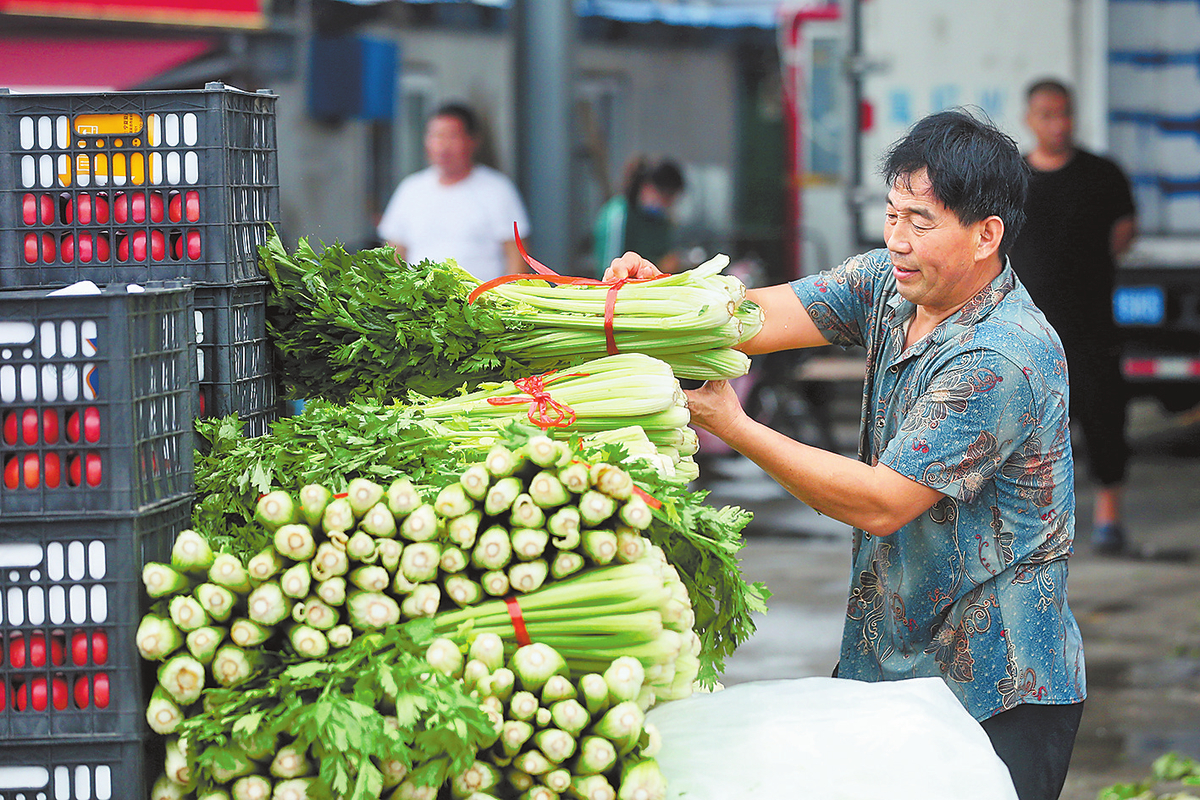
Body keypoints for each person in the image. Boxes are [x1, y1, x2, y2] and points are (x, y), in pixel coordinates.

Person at [607, 110, 1086, 800]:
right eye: (892, 215)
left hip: (996, 687)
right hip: (892, 666)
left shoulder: (1003, 354)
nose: (898, 240)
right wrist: (660, 300)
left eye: (922, 222)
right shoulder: (889, 285)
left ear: (988, 235)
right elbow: (757, 315)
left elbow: (882, 502)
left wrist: (733, 426)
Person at [1008, 79, 1138, 556]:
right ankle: (1031, 526)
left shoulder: (1101, 174)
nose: (1055, 124)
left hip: (1090, 325)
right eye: (1045, 114)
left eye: (1063, 114)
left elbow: (1124, 228)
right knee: (1026, 428)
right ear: (1029, 118)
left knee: (1104, 417)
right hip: (1025, 330)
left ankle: (1108, 517)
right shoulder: (1012, 178)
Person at [377, 102, 530, 282]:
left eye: (452, 136)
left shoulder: (497, 189)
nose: (443, 146)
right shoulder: (410, 189)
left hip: (481, 304)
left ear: (473, 141)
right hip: (420, 304)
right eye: (436, 136)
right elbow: (394, 253)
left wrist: (504, 300)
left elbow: (516, 255)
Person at [592, 156, 686, 276]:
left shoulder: (661, 221)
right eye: (666, 198)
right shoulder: (618, 215)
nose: (667, 205)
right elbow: (609, 270)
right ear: (647, 187)